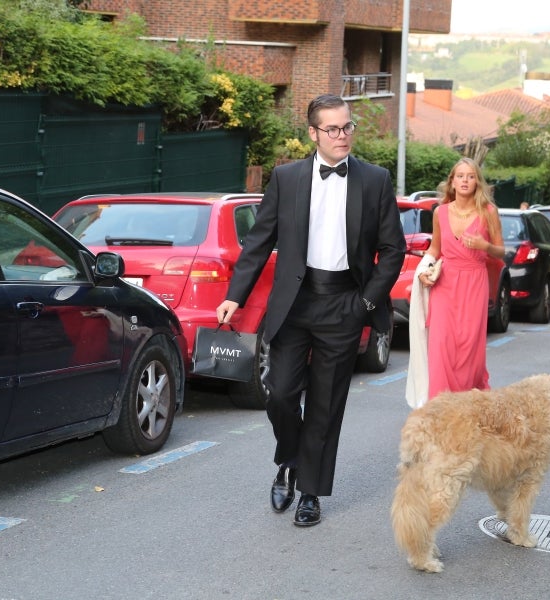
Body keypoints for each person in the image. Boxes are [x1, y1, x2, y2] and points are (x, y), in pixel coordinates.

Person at [216, 94, 405, 527]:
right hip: (294, 303)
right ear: (313, 133)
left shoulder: (375, 180)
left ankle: (311, 492)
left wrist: (366, 303)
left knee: (325, 404)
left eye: (348, 126)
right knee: (280, 393)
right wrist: (235, 294)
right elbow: (259, 241)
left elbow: (393, 250)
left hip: (344, 303)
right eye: (334, 129)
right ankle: (290, 458)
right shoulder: (287, 178)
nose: (344, 136)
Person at [416, 158, 504, 396]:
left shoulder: (488, 212)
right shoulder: (440, 212)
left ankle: (466, 403)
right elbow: (435, 248)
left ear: (477, 182)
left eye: (471, 176)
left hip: (474, 282)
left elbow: (501, 251)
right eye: (460, 176)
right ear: (452, 182)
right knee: (441, 344)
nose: (465, 180)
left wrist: (483, 245)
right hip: (445, 283)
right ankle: (440, 405)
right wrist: (424, 269)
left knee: (469, 348)